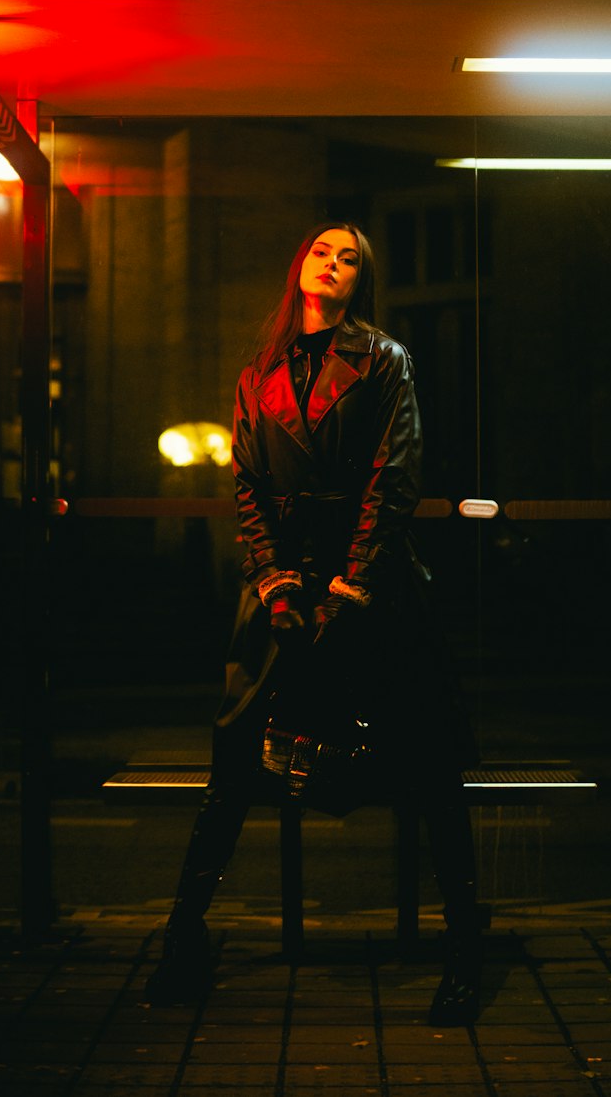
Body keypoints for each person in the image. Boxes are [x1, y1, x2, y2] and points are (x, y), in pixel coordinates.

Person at [144, 221, 483, 1025]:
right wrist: (268, 577)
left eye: (350, 258)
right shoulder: (257, 369)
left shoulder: (385, 358)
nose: (332, 263)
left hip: (370, 582)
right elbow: (246, 483)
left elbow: (393, 478)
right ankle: (183, 936)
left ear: (362, 280)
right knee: (232, 762)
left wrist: (352, 584)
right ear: (298, 263)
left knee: (430, 768)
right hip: (283, 589)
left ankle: (464, 946)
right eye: (322, 251)